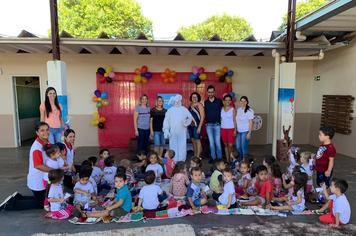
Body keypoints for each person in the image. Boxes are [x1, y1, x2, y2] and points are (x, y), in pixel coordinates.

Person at [163, 94, 193, 162]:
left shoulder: (184, 109)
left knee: (182, 145)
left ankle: (182, 160)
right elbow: (166, 121)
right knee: (173, 145)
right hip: (173, 132)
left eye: (178, 101)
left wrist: (186, 121)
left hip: (182, 131)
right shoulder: (170, 110)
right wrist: (166, 130)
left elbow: (190, 117)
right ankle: (173, 159)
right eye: (176, 101)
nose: (177, 102)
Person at [204, 85, 223, 161]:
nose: (211, 93)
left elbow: (223, 111)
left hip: (217, 125)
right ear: (207, 93)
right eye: (209, 92)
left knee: (217, 142)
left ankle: (219, 158)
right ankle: (213, 158)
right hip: (208, 125)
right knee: (211, 143)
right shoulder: (205, 102)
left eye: (212, 92)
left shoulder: (219, 101)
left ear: (214, 92)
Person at [188, 92, 205, 158]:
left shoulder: (199, 105)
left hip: (197, 126)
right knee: (193, 140)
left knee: (197, 140)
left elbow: (202, 117)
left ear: (198, 98)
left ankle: (198, 156)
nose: (194, 98)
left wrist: (199, 127)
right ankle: (195, 155)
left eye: (195, 97)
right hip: (190, 126)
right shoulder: (190, 105)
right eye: (193, 97)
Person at [221, 94, 237, 163]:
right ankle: (227, 160)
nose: (227, 101)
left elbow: (234, 120)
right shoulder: (221, 109)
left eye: (229, 100)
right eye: (226, 100)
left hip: (231, 129)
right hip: (223, 129)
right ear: (224, 101)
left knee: (230, 145)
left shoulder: (233, 109)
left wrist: (235, 130)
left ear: (231, 101)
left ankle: (231, 159)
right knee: (225, 145)